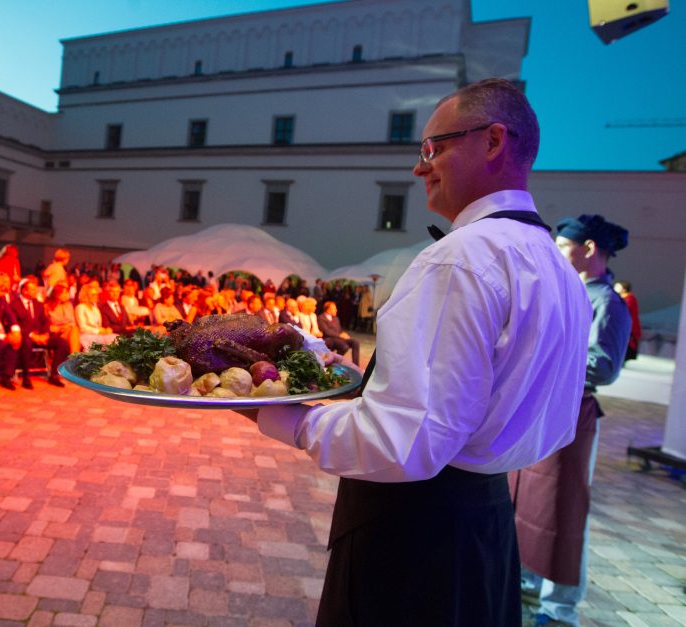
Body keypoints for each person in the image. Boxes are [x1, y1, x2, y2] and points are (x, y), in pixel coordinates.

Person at [250, 78, 591, 626]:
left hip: (415, 537)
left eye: (433, 148)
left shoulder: (461, 259)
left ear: (493, 140)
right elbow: (476, 400)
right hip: (486, 524)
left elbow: (404, 443)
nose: (418, 167)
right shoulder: (556, 266)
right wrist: (351, 375)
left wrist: (282, 417)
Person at [512, 214, 632, 627]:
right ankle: (527, 579)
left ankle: (560, 605)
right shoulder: (569, 291)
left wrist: (547, 360)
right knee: (530, 499)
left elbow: (604, 367)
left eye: (565, 246)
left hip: (574, 411)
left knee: (564, 507)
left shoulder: (608, 303)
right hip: (546, 405)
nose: (559, 253)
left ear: (590, 249)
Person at [10, 276, 51, 389]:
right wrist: (32, 335)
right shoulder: (14, 304)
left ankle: (54, 375)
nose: (36, 292)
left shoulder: (38, 304)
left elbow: (45, 321)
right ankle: (26, 377)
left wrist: (45, 334)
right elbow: (15, 325)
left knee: (61, 343)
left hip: (40, 335)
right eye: (33, 289)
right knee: (27, 343)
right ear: (24, 290)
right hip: (25, 336)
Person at [317, 301, 360, 366]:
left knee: (355, 342)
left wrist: (343, 333)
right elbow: (327, 332)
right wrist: (340, 335)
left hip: (338, 338)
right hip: (329, 338)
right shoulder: (321, 318)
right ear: (328, 309)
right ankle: (333, 361)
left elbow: (339, 329)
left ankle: (356, 365)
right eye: (334, 309)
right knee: (344, 346)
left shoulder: (336, 318)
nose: (336, 310)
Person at [614, 280, 641, 361]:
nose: (615, 288)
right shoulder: (626, 299)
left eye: (617, 287)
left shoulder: (629, 299)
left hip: (628, 331)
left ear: (624, 289)